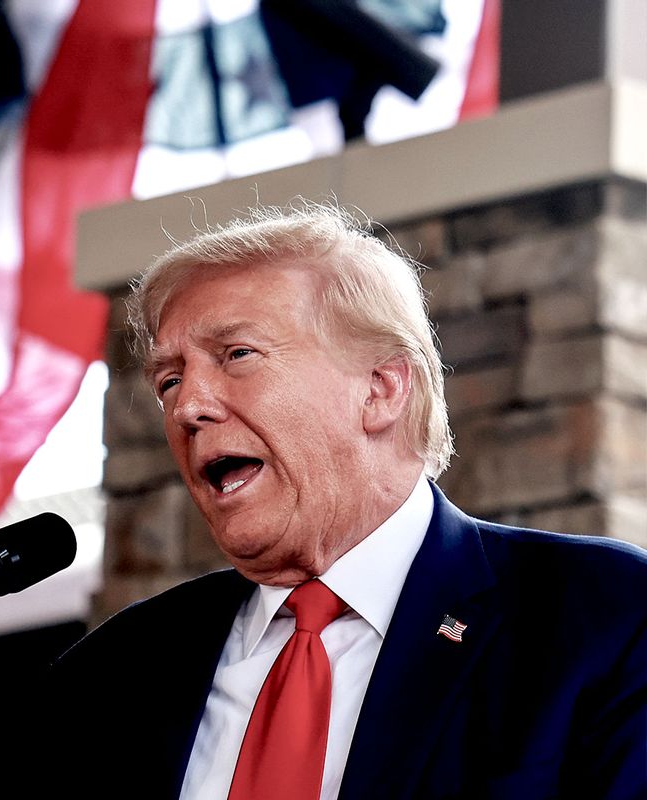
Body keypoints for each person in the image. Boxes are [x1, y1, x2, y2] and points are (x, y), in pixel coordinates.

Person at [32, 203, 647, 800]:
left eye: (237, 355)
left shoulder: (600, 613)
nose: (188, 406)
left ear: (380, 389)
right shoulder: (111, 675)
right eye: (169, 380)